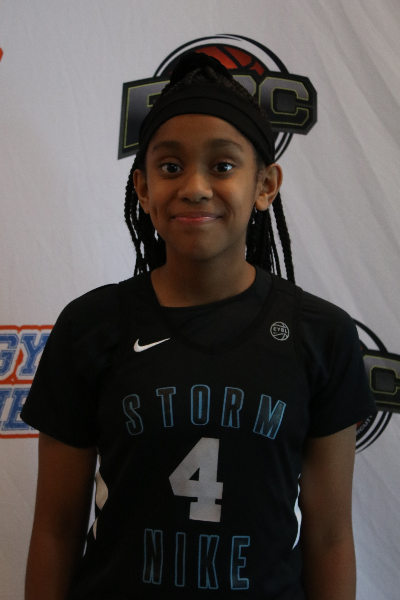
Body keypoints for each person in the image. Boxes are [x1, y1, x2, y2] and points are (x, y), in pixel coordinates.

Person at [22, 52, 376, 600]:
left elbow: (329, 537)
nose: (194, 186)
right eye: (170, 166)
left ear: (265, 185)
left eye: (223, 166)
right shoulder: (91, 327)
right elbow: (55, 529)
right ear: (142, 188)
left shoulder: (321, 336)